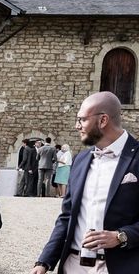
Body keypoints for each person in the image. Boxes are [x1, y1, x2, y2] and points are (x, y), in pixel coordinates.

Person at [31, 91, 139, 274]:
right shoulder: (80, 159)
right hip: (73, 265)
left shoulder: (136, 158)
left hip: (117, 266)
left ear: (103, 120)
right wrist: (44, 262)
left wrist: (122, 236)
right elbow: (67, 217)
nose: (77, 126)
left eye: (81, 119)